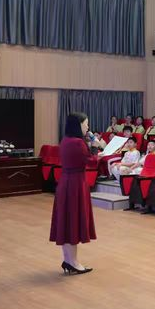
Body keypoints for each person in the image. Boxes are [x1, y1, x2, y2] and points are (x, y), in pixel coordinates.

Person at [50, 112, 95, 275]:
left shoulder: (65, 140)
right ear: (78, 125)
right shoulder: (78, 143)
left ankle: (68, 260)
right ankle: (73, 262)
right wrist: (96, 146)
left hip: (66, 182)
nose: (87, 127)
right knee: (73, 222)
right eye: (86, 123)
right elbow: (91, 161)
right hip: (75, 184)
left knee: (67, 222)